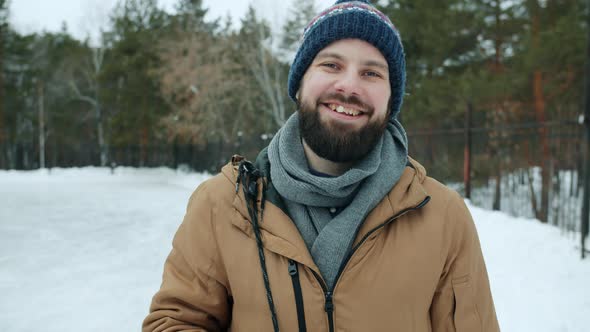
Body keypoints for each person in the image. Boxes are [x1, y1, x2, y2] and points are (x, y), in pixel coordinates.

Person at [143, 0, 500, 331]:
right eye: (331, 64)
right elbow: (175, 322)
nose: (348, 86)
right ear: (299, 83)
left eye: (372, 73)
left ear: (391, 101)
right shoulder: (224, 204)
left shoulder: (442, 216)